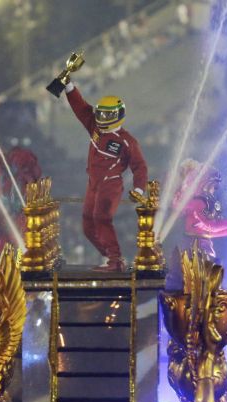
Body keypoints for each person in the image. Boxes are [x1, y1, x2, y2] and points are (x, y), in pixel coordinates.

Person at [63, 79, 148, 271]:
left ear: (118, 115)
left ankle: (115, 260)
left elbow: (140, 166)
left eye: (107, 114)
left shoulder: (127, 141)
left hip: (110, 184)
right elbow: (82, 108)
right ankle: (110, 257)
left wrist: (139, 188)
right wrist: (69, 87)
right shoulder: (95, 127)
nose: (102, 117)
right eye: (100, 113)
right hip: (93, 183)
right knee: (87, 225)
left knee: (101, 219)